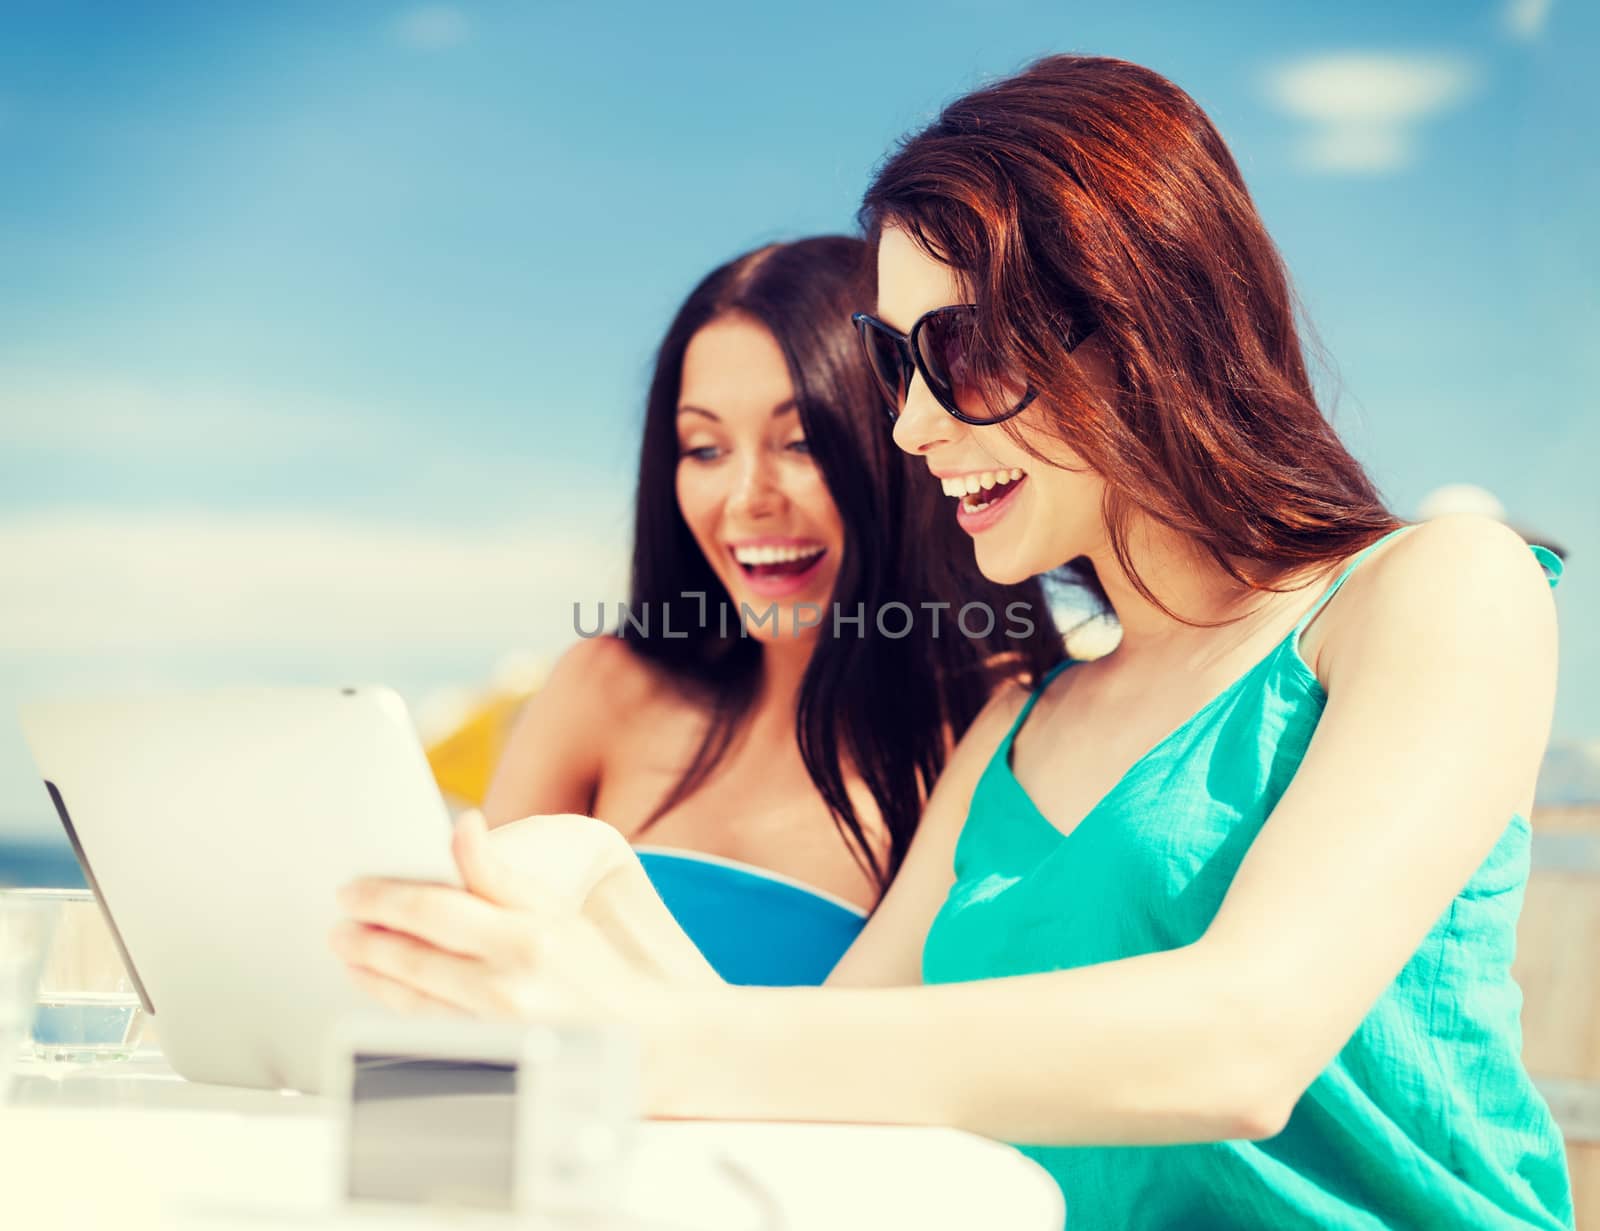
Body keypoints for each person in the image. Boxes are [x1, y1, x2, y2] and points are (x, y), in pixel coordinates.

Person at [332, 57, 1573, 1229]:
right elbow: (812, 1074)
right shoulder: (1015, 729)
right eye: (894, 362)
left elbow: (1241, 1039)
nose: (915, 426)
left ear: (1140, 317)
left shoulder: (1438, 588)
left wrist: (625, 1035)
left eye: (959, 353)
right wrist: (581, 874)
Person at [478, 236, 1062, 984]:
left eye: (801, 442)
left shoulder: (1002, 729)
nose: (748, 498)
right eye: (705, 448)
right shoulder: (605, 686)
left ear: (913, 446)